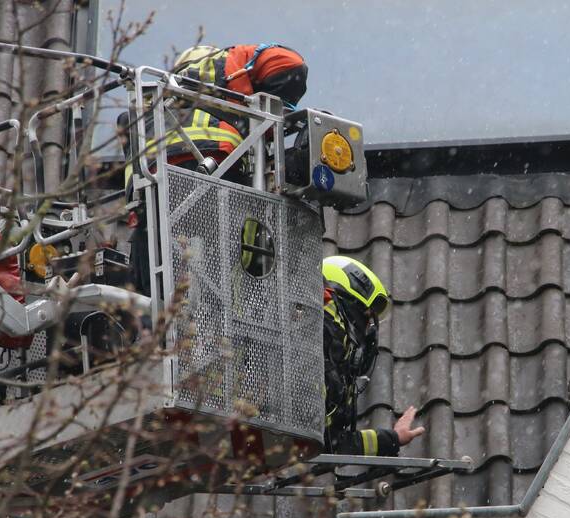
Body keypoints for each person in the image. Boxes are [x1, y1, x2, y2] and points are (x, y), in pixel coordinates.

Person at [124, 43, 308, 294]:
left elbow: (132, 178)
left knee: (152, 264)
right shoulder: (228, 60)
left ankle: (151, 310)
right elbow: (291, 63)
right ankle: (215, 308)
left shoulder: (147, 107)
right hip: (215, 160)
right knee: (224, 253)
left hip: (156, 181)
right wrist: (262, 113)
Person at [321, 255, 425, 456]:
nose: (364, 334)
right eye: (362, 318)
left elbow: (333, 444)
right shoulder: (310, 340)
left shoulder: (335, 377)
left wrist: (394, 439)